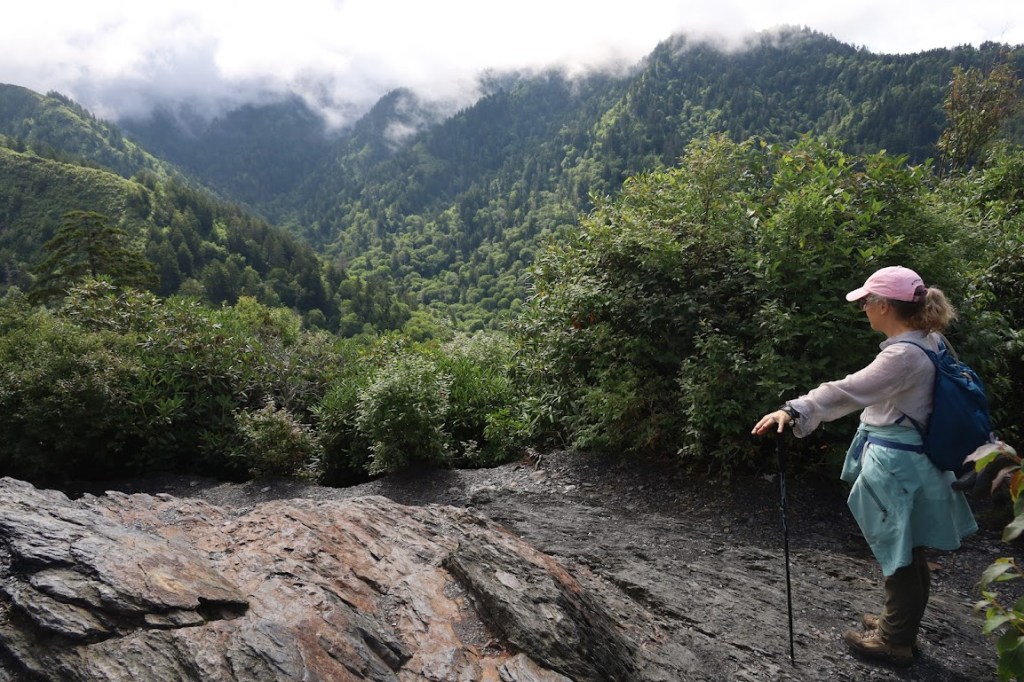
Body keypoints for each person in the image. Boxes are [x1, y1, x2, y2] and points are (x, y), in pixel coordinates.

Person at [751, 265, 978, 668]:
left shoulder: (903, 356)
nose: (864, 310)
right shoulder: (930, 340)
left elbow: (849, 390)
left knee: (900, 551)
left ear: (886, 306)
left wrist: (794, 408)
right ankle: (899, 620)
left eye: (867, 302)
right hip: (917, 460)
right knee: (908, 547)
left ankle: (895, 640)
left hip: (899, 466)